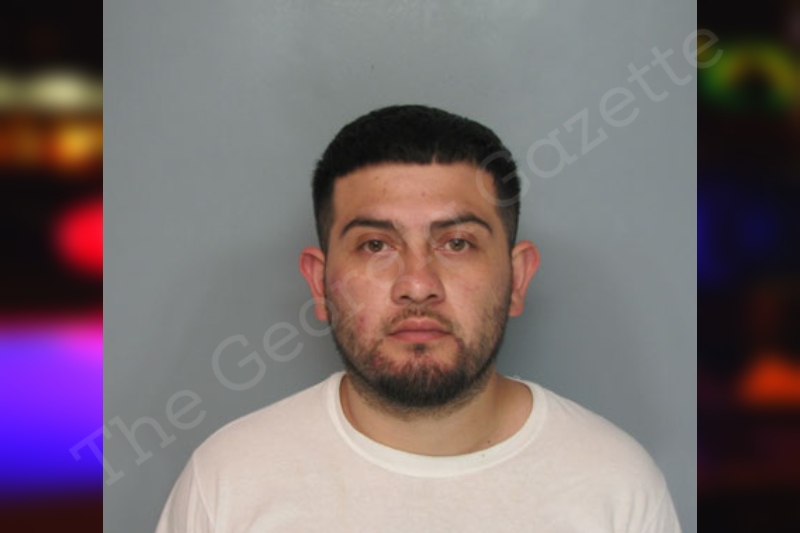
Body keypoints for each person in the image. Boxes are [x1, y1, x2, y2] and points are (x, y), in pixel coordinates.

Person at [155, 105, 681, 532]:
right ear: (319, 284)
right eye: (375, 245)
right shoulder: (228, 480)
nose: (417, 284)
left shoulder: (616, 484)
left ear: (518, 278)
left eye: (457, 243)